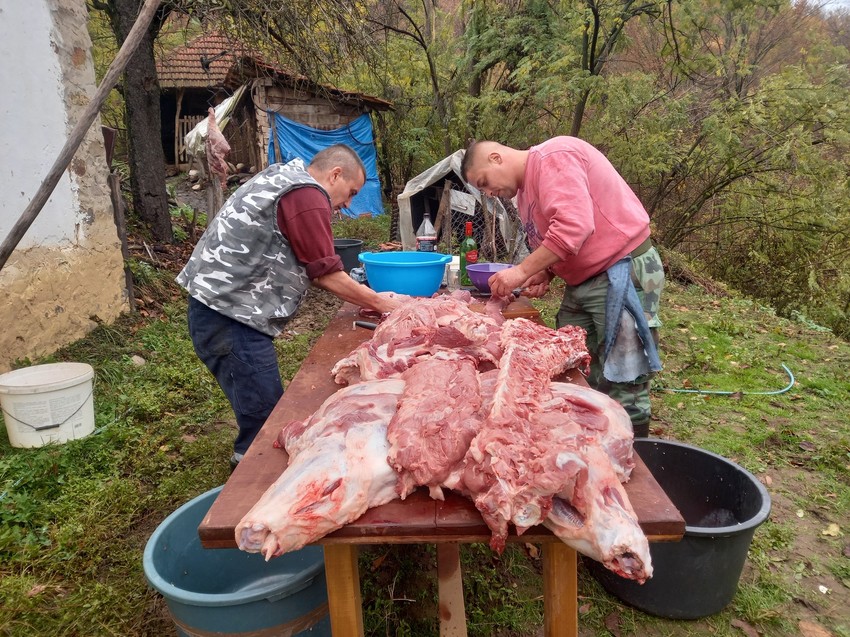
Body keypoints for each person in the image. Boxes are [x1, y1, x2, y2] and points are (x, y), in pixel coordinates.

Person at [177, 144, 401, 468]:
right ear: (334, 174)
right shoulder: (307, 194)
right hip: (230, 318)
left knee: (261, 409)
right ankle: (248, 488)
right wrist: (385, 304)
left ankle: (254, 477)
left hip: (222, 310)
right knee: (265, 421)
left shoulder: (284, 178)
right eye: (351, 192)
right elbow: (326, 274)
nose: (349, 204)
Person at [460, 137, 664, 437]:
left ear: (496, 158)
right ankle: (588, 443)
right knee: (574, 367)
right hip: (583, 279)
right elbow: (559, 239)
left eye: (484, 182)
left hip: (620, 270)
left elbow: (574, 227)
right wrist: (547, 271)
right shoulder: (526, 190)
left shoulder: (552, 158)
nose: (490, 193)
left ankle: (632, 461)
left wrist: (521, 272)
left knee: (624, 374)